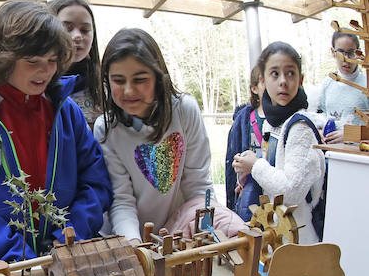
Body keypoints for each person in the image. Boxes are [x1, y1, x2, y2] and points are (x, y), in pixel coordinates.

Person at [0, 0, 112, 265]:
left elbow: (96, 182)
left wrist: (70, 234)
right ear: (3, 58)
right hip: (0, 265)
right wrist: (16, 255)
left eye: (53, 60)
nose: (45, 71)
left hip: (64, 253)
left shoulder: (67, 111)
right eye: (32, 61)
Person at [96, 28, 245, 243]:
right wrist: (134, 245)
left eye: (140, 79)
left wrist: (204, 228)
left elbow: (198, 187)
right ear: (107, 81)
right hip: (130, 235)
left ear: (158, 79)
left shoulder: (185, 110)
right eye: (118, 80)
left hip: (179, 230)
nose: (128, 91)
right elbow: (121, 200)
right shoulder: (106, 128)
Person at [232, 41, 326, 244]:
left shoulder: (299, 128)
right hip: (283, 231)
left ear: (300, 80)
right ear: (263, 80)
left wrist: (255, 165)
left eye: (290, 73)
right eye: (275, 73)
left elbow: (291, 191)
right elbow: (276, 172)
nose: (283, 81)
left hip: (301, 238)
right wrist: (249, 170)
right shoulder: (275, 123)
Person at [49, 0, 102, 129]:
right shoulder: (34, 83)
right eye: (67, 28)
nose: (77, 36)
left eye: (85, 30)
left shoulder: (105, 85)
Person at [225, 65, 265, 221]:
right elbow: (231, 158)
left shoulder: (284, 121)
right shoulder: (243, 119)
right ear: (254, 88)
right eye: (264, 82)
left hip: (270, 183)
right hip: (247, 186)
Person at [316, 32, 368, 142]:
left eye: (351, 53)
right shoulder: (328, 83)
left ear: (358, 52)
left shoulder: (366, 83)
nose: (346, 59)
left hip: (356, 154)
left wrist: (350, 135)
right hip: (330, 153)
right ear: (333, 52)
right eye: (341, 52)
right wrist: (320, 131)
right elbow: (322, 115)